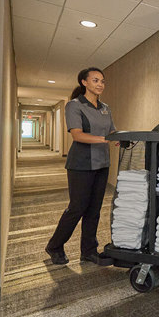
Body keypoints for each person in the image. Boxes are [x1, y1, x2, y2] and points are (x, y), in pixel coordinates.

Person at [45, 67, 115, 266]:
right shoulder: (74, 106)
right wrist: (104, 139)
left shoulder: (105, 108)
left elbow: (112, 130)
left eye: (102, 81)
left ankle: (89, 251)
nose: (100, 84)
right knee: (77, 208)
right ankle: (55, 245)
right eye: (95, 80)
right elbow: (77, 135)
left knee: (94, 209)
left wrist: (119, 138)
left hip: (102, 163)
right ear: (84, 82)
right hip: (81, 164)